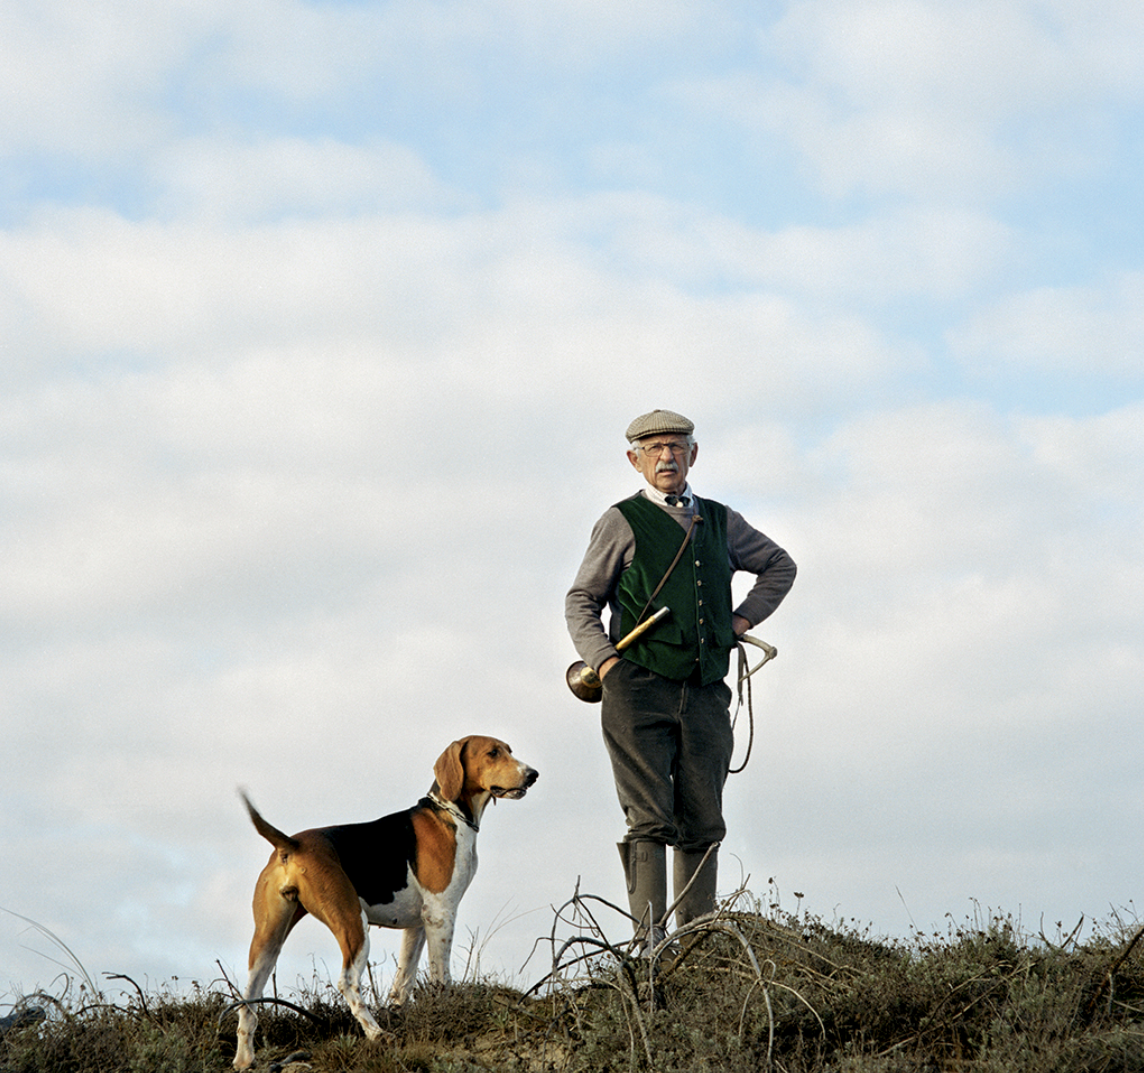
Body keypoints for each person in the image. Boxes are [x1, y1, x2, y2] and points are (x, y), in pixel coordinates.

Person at [565, 409, 796, 950]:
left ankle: (697, 950)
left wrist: (738, 622)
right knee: (649, 819)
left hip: (707, 692)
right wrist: (607, 664)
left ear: (694, 454)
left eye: (676, 446)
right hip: (636, 690)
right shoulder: (619, 521)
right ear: (635, 460)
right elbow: (581, 600)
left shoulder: (719, 520)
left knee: (703, 818)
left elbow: (779, 566)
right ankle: (650, 950)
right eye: (654, 449)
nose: (666, 457)